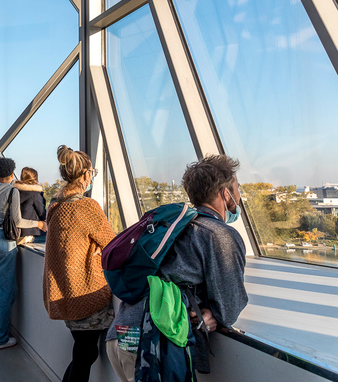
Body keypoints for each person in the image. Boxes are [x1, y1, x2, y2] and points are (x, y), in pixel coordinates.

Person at [105, 154, 248, 382]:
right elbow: (229, 305)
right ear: (225, 193)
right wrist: (209, 316)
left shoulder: (172, 228)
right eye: (237, 188)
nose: (239, 196)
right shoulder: (219, 234)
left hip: (120, 337)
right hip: (151, 346)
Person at [43, 146, 116, 382]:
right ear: (85, 175)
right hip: (85, 294)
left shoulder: (55, 206)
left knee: (83, 353)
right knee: (85, 354)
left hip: (65, 291)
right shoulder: (86, 207)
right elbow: (112, 244)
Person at [0, 157, 46, 349]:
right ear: (12, 173)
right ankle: (0, 339)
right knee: (5, 290)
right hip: (4, 241)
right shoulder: (12, 191)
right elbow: (17, 221)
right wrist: (39, 224)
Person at [13, 167, 47, 245]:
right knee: (51, 238)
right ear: (35, 180)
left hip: (17, 233)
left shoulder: (15, 192)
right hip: (30, 233)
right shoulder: (34, 194)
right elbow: (42, 214)